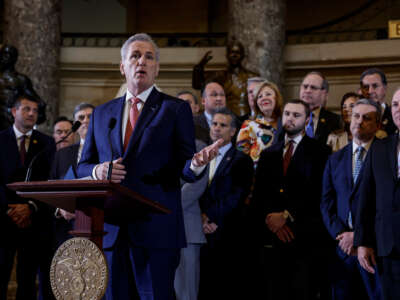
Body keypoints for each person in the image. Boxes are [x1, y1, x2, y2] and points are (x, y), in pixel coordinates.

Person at [77, 33, 221, 300]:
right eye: (134, 55)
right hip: (111, 233)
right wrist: (97, 171)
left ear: (156, 68)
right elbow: (83, 166)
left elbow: (184, 167)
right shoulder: (102, 113)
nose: (141, 61)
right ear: (123, 67)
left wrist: (197, 164)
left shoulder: (175, 109)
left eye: (149, 56)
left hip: (157, 230)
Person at [251, 99, 331, 300]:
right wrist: (273, 221)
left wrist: (287, 216)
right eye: (287, 114)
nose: (290, 119)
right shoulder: (269, 153)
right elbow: (260, 194)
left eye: (296, 115)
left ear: (307, 120)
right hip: (272, 237)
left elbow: (318, 192)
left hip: (304, 236)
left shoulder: (320, 152)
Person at [321, 98, 382, 300]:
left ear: (378, 125)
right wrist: (342, 234)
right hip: (342, 251)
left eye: (367, 118)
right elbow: (326, 203)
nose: (359, 121)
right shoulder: (335, 159)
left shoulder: (387, 155)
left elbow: (389, 206)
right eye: (356, 116)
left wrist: (360, 235)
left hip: (375, 251)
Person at [0, 92, 55, 300]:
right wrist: (10, 208)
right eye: (27, 109)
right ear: (14, 111)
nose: (32, 114)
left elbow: (49, 180)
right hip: (4, 219)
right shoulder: (1, 140)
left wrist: (30, 207)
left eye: (35, 110)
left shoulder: (47, 143)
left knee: (28, 280)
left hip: (33, 222)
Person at [198, 108, 254, 300]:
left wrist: (210, 217)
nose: (217, 128)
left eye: (223, 125)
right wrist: (199, 217)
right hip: (197, 229)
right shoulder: (198, 156)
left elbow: (236, 196)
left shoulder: (242, 160)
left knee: (223, 286)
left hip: (225, 232)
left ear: (233, 131)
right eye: (214, 124)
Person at [354, 87, 400, 300]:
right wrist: (363, 241)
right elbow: (365, 198)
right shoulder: (380, 148)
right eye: (396, 105)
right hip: (386, 248)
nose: (398, 110)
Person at [50, 103, 94, 248]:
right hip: (66, 228)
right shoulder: (62, 154)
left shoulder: (108, 151)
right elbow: (51, 186)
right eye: (81, 117)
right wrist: (60, 208)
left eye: (90, 116)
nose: (85, 120)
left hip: (98, 224)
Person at [174, 139, 208, 300]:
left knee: (186, 292)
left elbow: (196, 186)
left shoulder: (198, 146)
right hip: (153, 228)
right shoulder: (153, 140)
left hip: (186, 227)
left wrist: (162, 204)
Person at [192, 40, 258, 117]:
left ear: (243, 55)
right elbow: (198, 85)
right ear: (227, 55)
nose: (234, 55)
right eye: (232, 52)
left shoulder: (252, 77)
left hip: (247, 116)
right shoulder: (219, 76)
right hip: (225, 117)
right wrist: (200, 66)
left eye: (238, 53)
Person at [236, 80, 282, 164]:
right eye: (260, 96)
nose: (264, 98)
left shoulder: (286, 122)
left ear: (277, 97)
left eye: (268, 94)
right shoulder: (249, 125)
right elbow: (241, 158)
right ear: (257, 103)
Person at [300, 71, 341, 144]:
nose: (308, 90)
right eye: (305, 86)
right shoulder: (287, 118)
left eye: (313, 88)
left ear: (324, 93)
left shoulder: (336, 121)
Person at [360, 68, 396, 136]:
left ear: (385, 88)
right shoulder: (356, 118)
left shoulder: (395, 115)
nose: (370, 91)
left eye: (375, 86)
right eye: (366, 87)